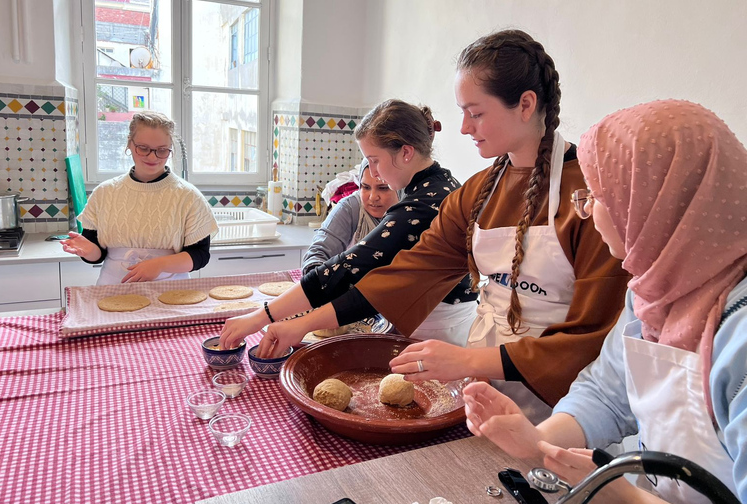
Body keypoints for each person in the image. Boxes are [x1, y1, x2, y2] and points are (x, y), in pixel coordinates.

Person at [233, 30, 631, 425]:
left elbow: (591, 335)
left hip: (563, 408)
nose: (462, 128)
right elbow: (408, 273)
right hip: (481, 391)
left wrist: (466, 359)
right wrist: (298, 324)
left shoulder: (591, 197)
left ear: (526, 104)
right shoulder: (478, 192)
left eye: (475, 113)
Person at [463, 100, 747, 503]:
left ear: (657, 203)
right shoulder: (651, 293)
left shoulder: (739, 333)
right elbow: (607, 393)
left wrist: (624, 495)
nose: (587, 212)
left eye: (597, 196)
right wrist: (538, 439)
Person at [219, 99, 478, 347]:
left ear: (406, 152)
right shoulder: (437, 185)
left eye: (375, 160)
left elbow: (348, 269)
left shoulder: (422, 205)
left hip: (441, 328)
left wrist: (261, 317)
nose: (373, 171)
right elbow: (375, 286)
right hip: (430, 320)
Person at [61, 112, 218, 285]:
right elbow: (98, 254)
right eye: (143, 148)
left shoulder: (188, 197)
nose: (152, 157)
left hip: (172, 291)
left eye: (162, 150)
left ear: (170, 149)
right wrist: (89, 251)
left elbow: (200, 255)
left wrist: (159, 264)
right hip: (113, 287)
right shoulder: (104, 193)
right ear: (129, 144)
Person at [302, 160, 399, 274]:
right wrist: (316, 278)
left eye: (383, 188)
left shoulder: (412, 211)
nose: (373, 197)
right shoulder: (350, 208)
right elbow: (318, 252)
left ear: (399, 187)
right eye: (365, 187)